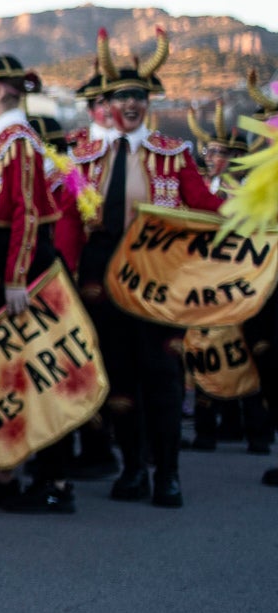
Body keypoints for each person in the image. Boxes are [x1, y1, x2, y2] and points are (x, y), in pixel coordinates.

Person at [57, 28, 219, 507]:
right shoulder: (84, 156)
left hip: (156, 273)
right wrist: (61, 274)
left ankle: (167, 474)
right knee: (118, 374)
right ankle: (131, 468)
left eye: (139, 96)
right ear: (107, 102)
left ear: (148, 102)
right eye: (123, 96)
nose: (131, 104)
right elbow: (67, 221)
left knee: (162, 374)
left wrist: (253, 215)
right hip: (100, 272)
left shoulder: (174, 154)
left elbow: (207, 208)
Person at [0, 15, 77, 512]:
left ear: (2, 93)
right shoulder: (0, 142)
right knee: (4, 368)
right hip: (0, 265)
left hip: (21, 267)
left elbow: (28, 214)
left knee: (38, 370)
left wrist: (17, 277)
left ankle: (55, 481)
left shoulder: (19, 142)